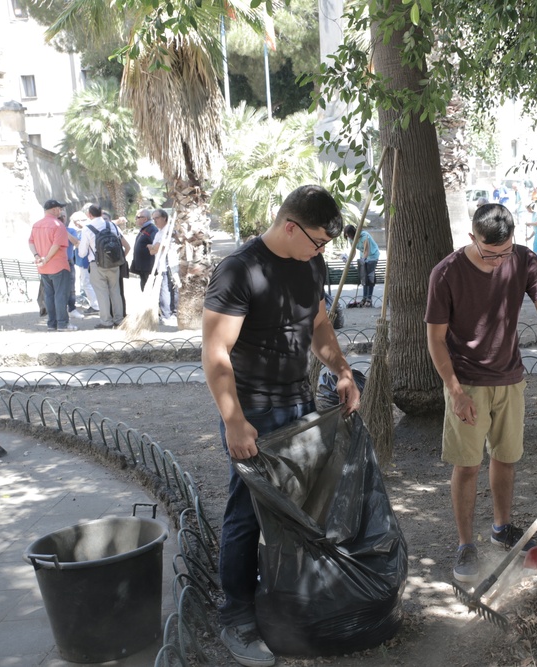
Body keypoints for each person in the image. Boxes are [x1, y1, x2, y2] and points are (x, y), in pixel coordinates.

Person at [201, 184, 360, 667]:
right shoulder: (238, 271)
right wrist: (234, 421)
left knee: (295, 506)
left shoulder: (309, 263)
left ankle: (284, 597)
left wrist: (343, 370)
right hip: (253, 412)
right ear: (290, 226)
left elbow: (317, 327)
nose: (322, 252)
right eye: (317, 242)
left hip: (298, 401)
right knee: (246, 513)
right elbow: (215, 352)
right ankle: (237, 615)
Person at [425, 202, 537, 584]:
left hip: (510, 379)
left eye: (504, 252)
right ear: (472, 238)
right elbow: (436, 340)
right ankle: (465, 544)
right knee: (468, 464)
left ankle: (502, 527)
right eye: (490, 254)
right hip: (467, 384)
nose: (498, 261)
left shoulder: (523, 260)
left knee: (507, 458)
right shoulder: (446, 273)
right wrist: (455, 391)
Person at [78, 204, 130, 330]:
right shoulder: (112, 225)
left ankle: (106, 321)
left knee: (102, 293)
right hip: (114, 263)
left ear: (89, 215)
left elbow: (82, 253)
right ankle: (119, 319)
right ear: (102, 213)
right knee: (115, 291)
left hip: (97, 264)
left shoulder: (87, 228)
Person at [28, 199, 77, 331]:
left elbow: (31, 242)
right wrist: (47, 258)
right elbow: (56, 245)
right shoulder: (58, 225)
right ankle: (62, 323)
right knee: (61, 295)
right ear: (55, 209)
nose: (61, 211)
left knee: (49, 295)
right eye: (60, 209)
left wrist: (37, 256)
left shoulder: (36, 225)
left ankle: (52, 323)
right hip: (58, 265)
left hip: (43, 267)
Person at [148, 209, 179, 326]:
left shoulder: (169, 231)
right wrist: (153, 247)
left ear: (164, 218)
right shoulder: (158, 232)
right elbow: (153, 251)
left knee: (168, 289)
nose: (155, 221)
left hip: (169, 264)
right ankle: (168, 313)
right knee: (165, 289)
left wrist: (153, 247)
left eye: (157, 218)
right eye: (154, 218)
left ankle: (169, 314)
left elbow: (158, 247)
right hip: (161, 263)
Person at [343, 224, 379, 307]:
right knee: (363, 277)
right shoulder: (350, 238)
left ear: (353, 233)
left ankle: (369, 299)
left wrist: (362, 261)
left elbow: (366, 251)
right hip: (363, 256)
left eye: (349, 236)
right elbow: (353, 252)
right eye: (347, 236)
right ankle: (364, 298)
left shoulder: (365, 236)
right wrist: (349, 261)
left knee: (370, 277)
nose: (349, 238)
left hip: (372, 256)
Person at [130, 208, 158, 291]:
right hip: (143, 267)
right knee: (144, 287)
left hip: (148, 267)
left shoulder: (152, 229)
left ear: (145, 219)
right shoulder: (144, 229)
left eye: (137, 217)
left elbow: (155, 246)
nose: (136, 219)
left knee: (148, 289)